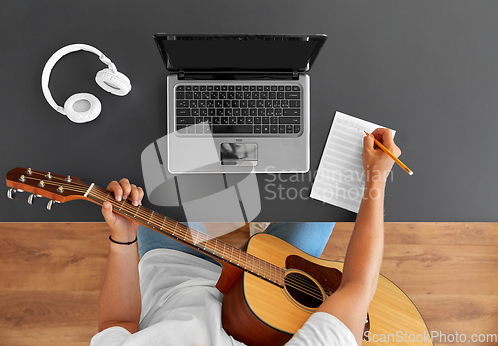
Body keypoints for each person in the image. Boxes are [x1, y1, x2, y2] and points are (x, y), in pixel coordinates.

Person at [90, 128, 401, 346]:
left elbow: (116, 322)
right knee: (332, 183)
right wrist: (377, 176)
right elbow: (357, 287)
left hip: (174, 269)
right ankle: (259, 232)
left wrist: (123, 240)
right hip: (273, 300)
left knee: (156, 149)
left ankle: (250, 224)